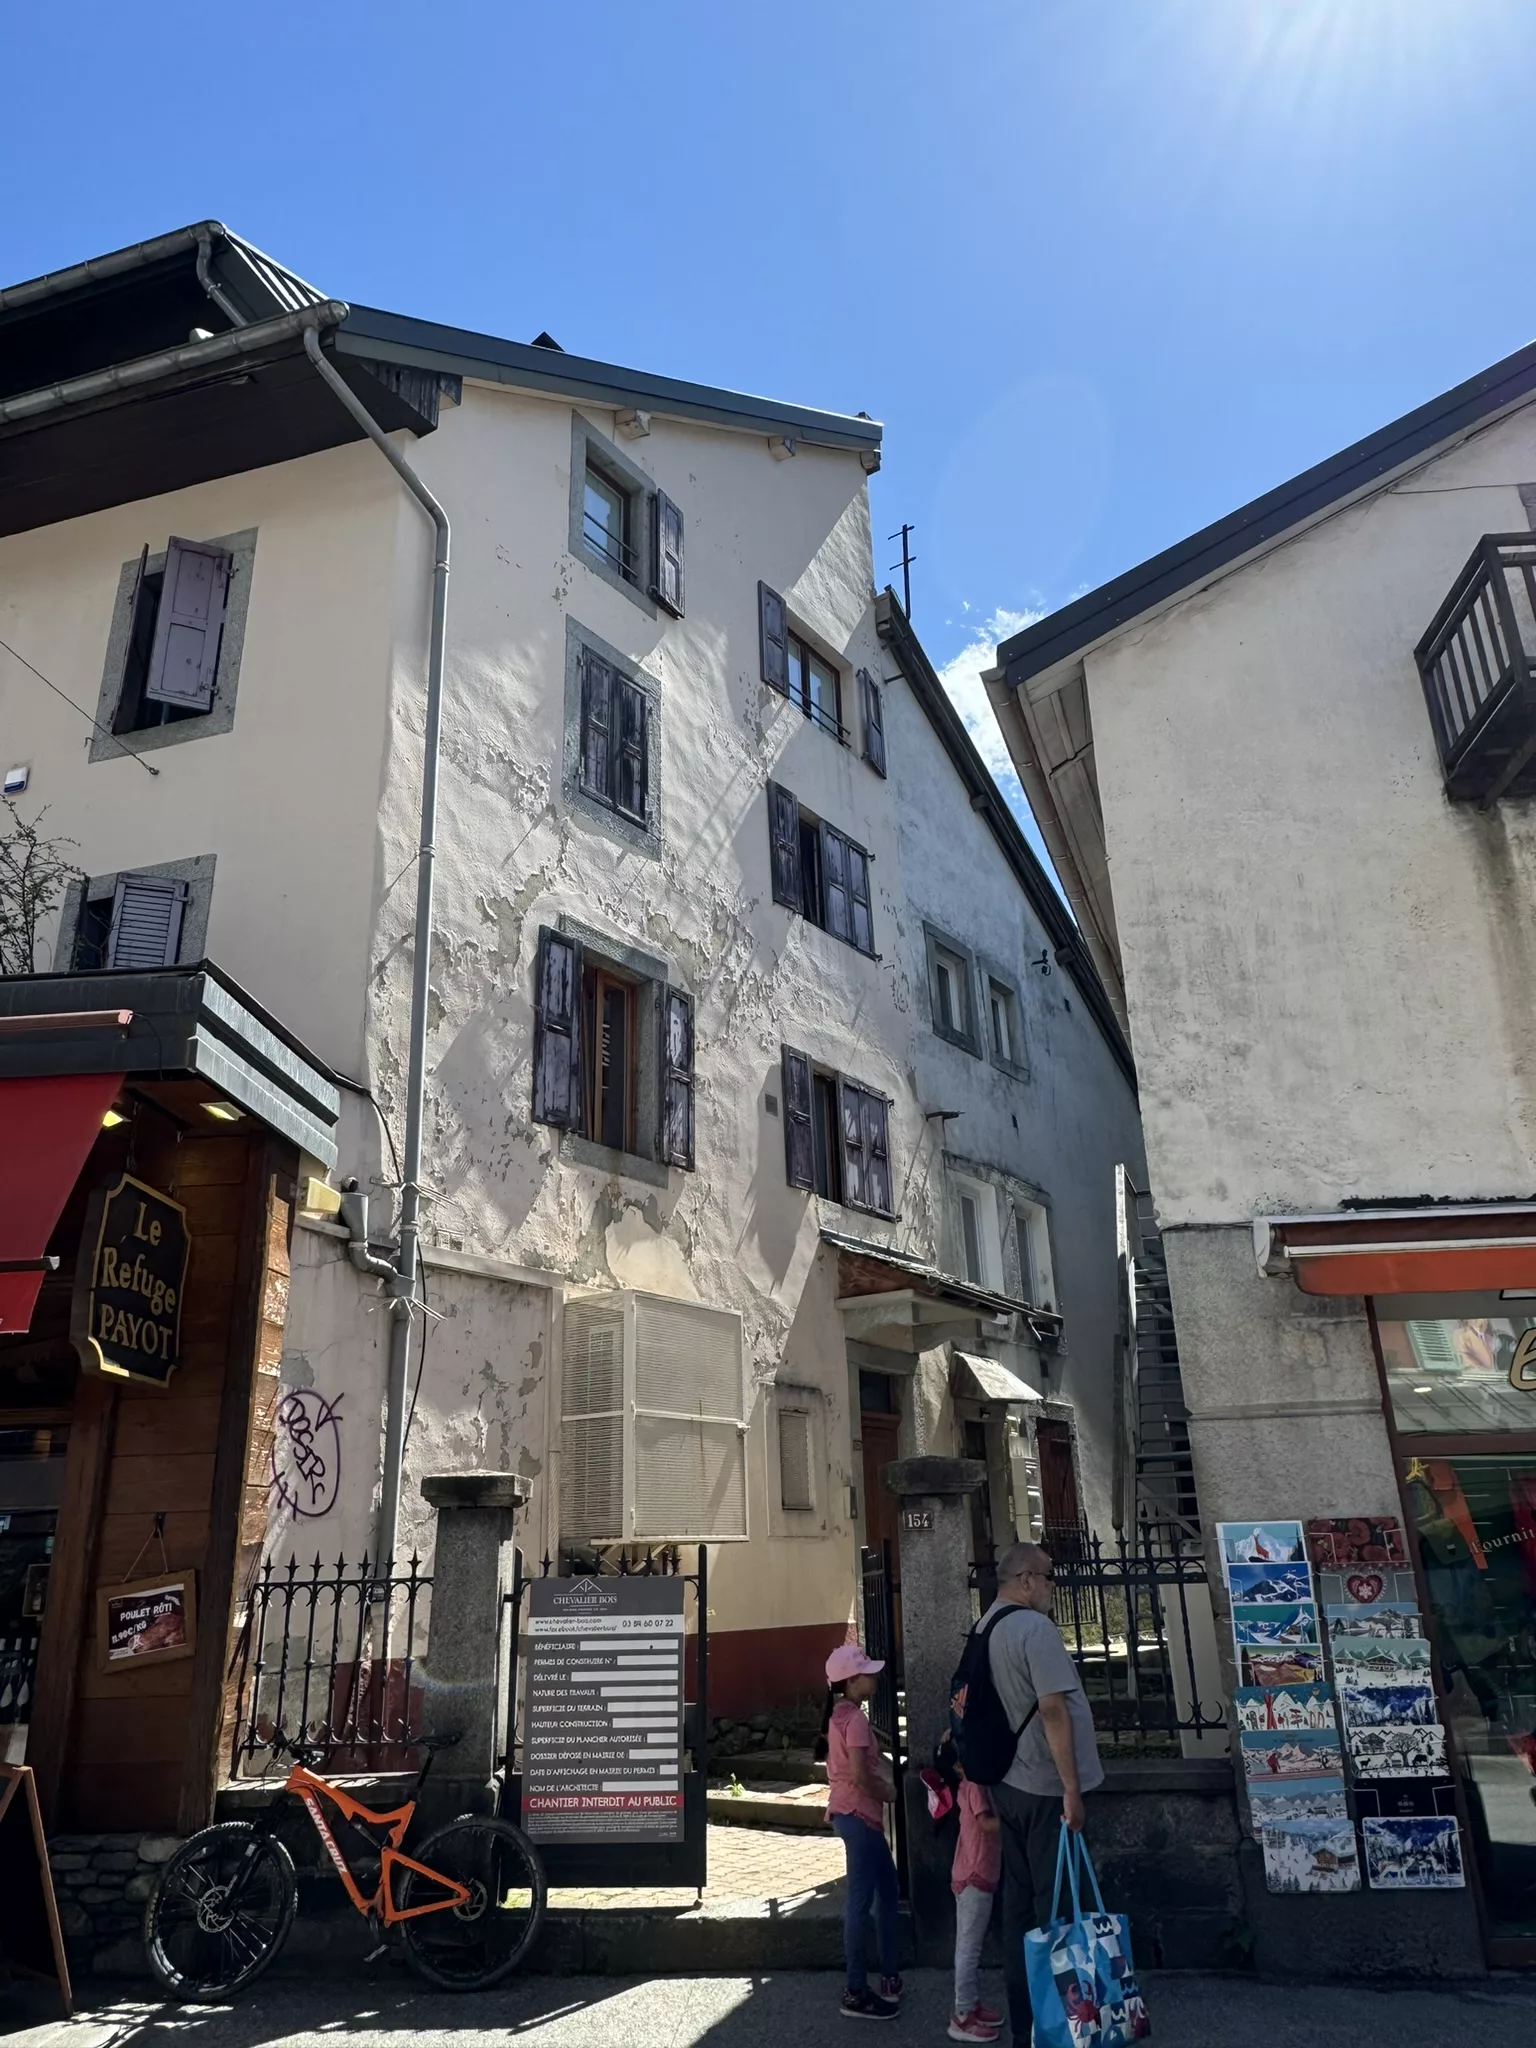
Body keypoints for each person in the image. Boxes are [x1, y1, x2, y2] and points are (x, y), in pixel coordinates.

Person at [982, 1540, 1105, 2048]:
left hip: (1008, 1782)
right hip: (1044, 1787)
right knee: (1056, 1911)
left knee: (1019, 1911)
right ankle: (1063, 2028)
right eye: (1049, 1576)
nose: (1054, 1585)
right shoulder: (1034, 1628)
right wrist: (1071, 1789)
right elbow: (1052, 1709)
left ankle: (1026, 2026)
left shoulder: (986, 1625)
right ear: (1026, 1579)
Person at [817, 1642, 902, 2021]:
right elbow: (860, 1774)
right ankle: (855, 1990)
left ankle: (889, 1974)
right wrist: (887, 1791)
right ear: (852, 1681)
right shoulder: (855, 1720)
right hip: (860, 1814)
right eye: (867, 1673)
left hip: (851, 1814)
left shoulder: (840, 1716)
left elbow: (864, 1761)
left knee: (887, 1890)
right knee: (860, 1902)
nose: (874, 1677)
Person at [933, 1734, 1005, 2042]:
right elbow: (987, 1823)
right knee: (969, 1947)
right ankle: (963, 2015)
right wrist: (1015, 1820)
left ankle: (971, 2004)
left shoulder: (970, 1784)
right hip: (976, 1873)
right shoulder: (974, 1785)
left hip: (974, 1871)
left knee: (970, 1945)